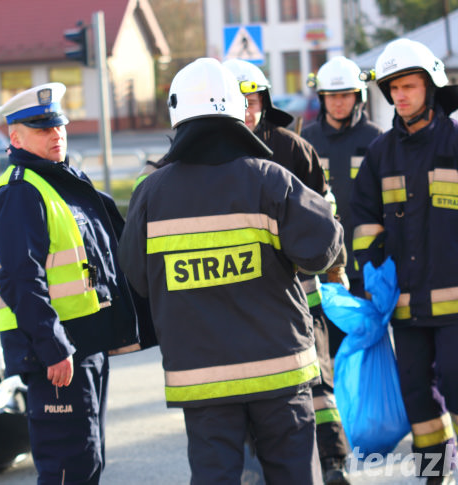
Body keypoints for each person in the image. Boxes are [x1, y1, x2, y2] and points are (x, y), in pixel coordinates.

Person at [118, 58, 343, 484]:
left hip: (202, 381)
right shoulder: (270, 180)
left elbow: (137, 276)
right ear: (237, 112)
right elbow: (324, 249)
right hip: (280, 372)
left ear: (176, 114)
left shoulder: (151, 193)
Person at [351, 38, 458, 485]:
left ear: (430, 86)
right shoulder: (380, 154)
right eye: (393, 89)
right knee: (416, 391)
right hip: (403, 303)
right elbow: (364, 223)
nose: (400, 96)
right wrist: (369, 273)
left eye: (409, 85)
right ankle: (434, 471)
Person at [0, 82, 147, 485]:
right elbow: (22, 279)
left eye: (59, 127)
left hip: (83, 347)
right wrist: (53, 347)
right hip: (57, 354)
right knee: (69, 468)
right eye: (42, 129)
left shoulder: (61, 183)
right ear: (15, 137)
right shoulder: (21, 192)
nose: (56, 135)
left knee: (86, 461)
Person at [223, 58, 351, 485]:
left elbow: (326, 214)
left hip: (301, 287)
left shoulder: (292, 148)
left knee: (316, 376)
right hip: (244, 293)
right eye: (239, 100)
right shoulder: (213, 153)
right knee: (258, 386)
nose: (247, 109)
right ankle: (258, 467)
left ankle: (334, 460)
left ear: (265, 101)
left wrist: (335, 267)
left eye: (254, 99)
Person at [301, 55, 383, 356]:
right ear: (322, 98)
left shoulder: (375, 139)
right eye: (331, 96)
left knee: (364, 347)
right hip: (319, 266)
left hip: (363, 267)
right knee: (323, 350)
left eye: (345, 95)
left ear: (358, 96)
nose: (338, 103)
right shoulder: (305, 140)